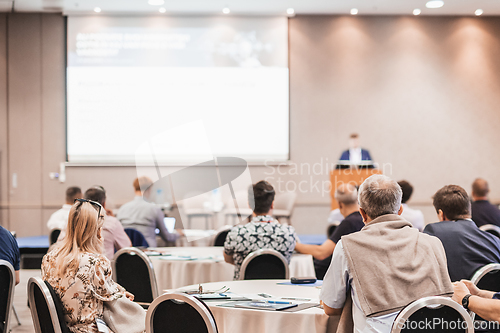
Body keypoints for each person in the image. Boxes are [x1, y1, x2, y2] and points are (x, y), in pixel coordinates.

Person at [320, 175, 453, 333]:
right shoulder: (433, 243)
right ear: (400, 211)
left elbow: (331, 308)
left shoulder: (347, 247)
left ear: (362, 213)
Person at [42, 199, 137, 333]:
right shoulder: (96, 261)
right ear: (97, 230)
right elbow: (111, 296)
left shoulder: (49, 258)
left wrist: (118, 292)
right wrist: (122, 293)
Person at [424, 185, 500, 282]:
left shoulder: (434, 231)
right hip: (489, 296)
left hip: (452, 296)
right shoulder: (496, 241)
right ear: (469, 211)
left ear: (441, 214)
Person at [224, 181, 297, 280]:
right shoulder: (288, 233)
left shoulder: (236, 233)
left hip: (242, 291)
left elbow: (228, 259)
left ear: (250, 205)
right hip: (278, 291)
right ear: (272, 205)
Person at [295, 183, 364, 280]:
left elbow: (322, 253)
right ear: (357, 200)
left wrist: (293, 244)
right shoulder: (364, 219)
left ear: (340, 204)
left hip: (326, 274)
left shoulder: (348, 223)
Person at [117, 176, 180, 247]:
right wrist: (178, 234)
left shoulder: (122, 209)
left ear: (134, 189)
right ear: (150, 189)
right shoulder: (154, 209)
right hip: (148, 252)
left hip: (126, 251)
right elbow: (167, 237)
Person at [84, 186, 132, 260]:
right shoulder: (112, 223)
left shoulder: (71, 222)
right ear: (104, 204)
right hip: (103, 269)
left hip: (77, 269)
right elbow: (128, 249)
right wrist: (113, 219)